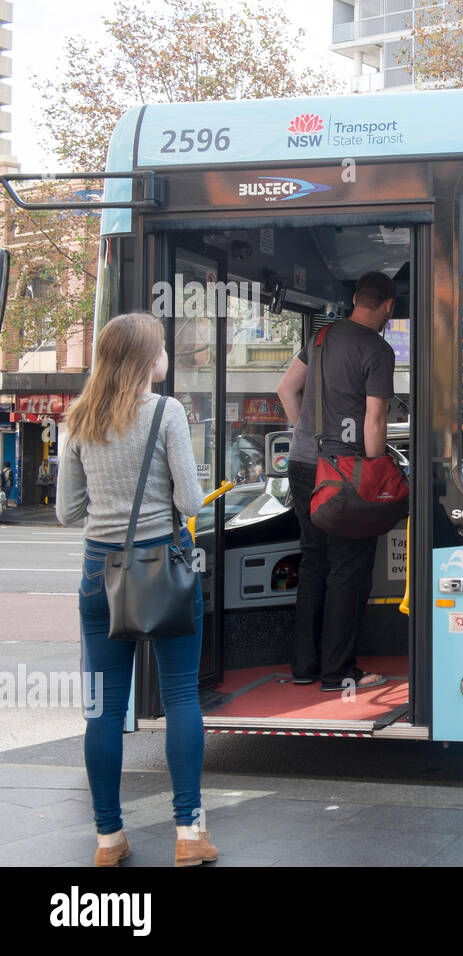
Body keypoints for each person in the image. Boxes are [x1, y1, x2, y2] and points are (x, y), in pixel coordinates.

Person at [55, 312, 216, 867]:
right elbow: (192, 503)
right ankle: (189, 834)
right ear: (150, 360)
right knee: (180, 697)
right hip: (163, 567)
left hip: (100, 574)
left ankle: (107, 840)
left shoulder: (77, 419)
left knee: (102, 710)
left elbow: (65, 511)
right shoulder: (167, 412)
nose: (167, 355)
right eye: (164, 348)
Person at [276, 272, 397, 692]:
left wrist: (308, 437)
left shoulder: (323, 338)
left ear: (355, 299)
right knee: (349, 569)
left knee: (314, 562)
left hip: (304, 465)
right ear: (388, 307)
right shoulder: (377, 350)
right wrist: (377, 471)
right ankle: (339, 671)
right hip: (345, 473)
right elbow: (375, 420)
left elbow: (286, 389)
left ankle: (304, 667)